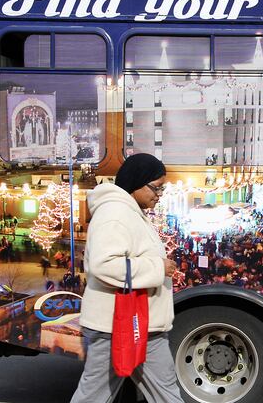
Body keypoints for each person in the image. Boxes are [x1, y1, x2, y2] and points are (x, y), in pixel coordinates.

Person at [70, 153, 183, 403]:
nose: (159, 194)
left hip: (137, 323)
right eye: (156, 187)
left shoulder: (129, 211)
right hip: (118, 325)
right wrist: (157, 268)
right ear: (136, 183)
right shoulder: (114, 214)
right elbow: (104, 265)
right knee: (95, 395)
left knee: (163, 390)